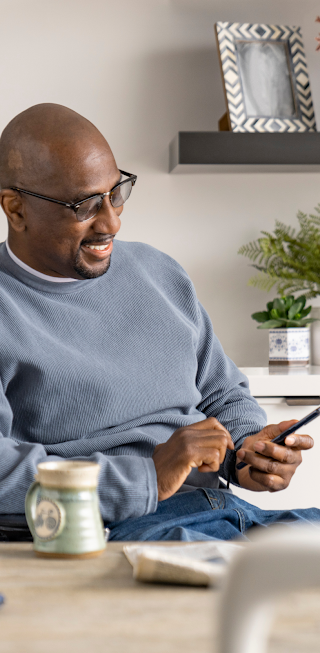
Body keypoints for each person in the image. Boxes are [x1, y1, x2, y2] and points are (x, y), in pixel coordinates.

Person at [0, 103, 318, 542]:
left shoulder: (159, 272)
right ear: (16, 210)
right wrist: (148, 475)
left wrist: (249, 451)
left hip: (223, 509)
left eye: (116, 193)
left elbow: (223, 394)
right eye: (85, 205)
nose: (111, 221)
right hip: (113, 530)